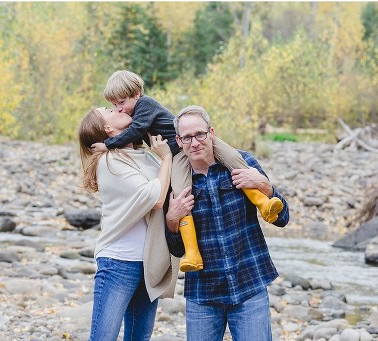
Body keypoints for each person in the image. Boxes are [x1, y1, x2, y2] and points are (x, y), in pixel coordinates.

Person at [91, 70, 284, 273]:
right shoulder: (135, 113)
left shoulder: (145, 106)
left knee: (236, 163)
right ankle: (192, 252)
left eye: (121, 103)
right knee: (182, 193)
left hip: (182, 148)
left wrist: (108, 145)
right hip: (178, 155)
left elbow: (136, 131)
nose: (119, 109)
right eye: (114, 105)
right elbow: (137, 140)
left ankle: (264, 203)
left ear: (137, 94)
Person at [164, 105, 289, 341]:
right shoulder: (174, 182)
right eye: (187, 137)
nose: (195, 142)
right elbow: (177, 250)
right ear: (179, 141)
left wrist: (265, 185)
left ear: (211, 133)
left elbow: (282, 218)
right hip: (203, 293)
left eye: (200, 134)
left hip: (249, 285)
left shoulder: (241, 163)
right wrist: (172, 218)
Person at [77, 107, 180, 341]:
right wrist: (166, 158)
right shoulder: (108, 161)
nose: (119, 108)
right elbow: (155, 197)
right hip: (118, 262)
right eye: (109, 110)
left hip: (149, 262)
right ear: (107, 129)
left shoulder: (143, 155)